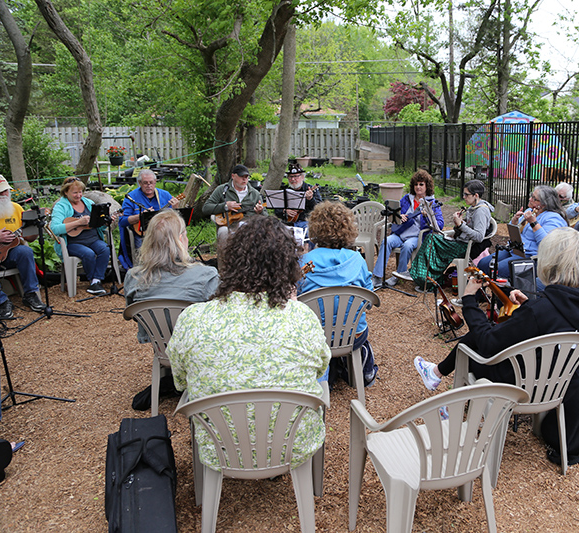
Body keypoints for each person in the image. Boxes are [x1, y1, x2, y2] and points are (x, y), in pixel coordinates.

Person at [166, 215, 330, 472]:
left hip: (218, 448)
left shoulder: (193, 318)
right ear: (288, 264)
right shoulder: (302, 316)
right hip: (293, 446)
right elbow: (320, 369)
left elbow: (180, 381)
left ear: (231, 260)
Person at [414, 227, 579, 403]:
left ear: (549, 263)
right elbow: (556, 322)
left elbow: (489, 342)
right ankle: (435, 374)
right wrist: (530, 305)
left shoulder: (540, 310)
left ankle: (449, 401)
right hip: (561, 388)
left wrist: (469, 299)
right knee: (481, 334)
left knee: (469, 345)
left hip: (520, 387)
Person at [299, 201, 377, 387]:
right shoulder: (357, 260)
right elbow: (369, 302)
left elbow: (294, 300)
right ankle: (360, 370)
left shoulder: (305, 262)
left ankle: (324, 372)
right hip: (352, 336)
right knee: (360, 328)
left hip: (314, 339)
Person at [124, 209, 219, 343]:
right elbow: (220, 315)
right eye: (185, 235)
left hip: (160, 346)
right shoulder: (206, 276)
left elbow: (135, 315)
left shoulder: (133, 277)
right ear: (180, 240)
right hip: (198, 347)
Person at [410, 180, 494, 289]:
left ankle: (426, 279)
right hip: (461, 242)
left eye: (466, 194)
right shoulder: (473, 207)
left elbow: (479, 237)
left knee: (432, 239)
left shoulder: (481, 211)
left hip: (466, 247)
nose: (464, 197)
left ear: (476, 195)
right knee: (431, 239)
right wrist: (460, 222)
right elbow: (469, 227)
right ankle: (426, 277)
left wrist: (461, 225)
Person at [476, 184, 567, 280]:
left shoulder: (553, 218)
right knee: (483, 263)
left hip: (531, 256)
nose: (530, 199)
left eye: (534, 199)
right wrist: (514, 222)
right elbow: (513, 233)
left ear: (544, 204)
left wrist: (533, 223)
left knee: (498, 270)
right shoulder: (530, 211)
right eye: (531, 196)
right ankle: (480, 288)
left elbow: (547, 244)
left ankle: (498, 289)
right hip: (515, 249)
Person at [372, 170, 444, 288]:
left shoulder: (432, 203)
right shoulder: (406, 199)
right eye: (416, 184)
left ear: (427, 186)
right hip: (400, 233)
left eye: (421, 184)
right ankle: (377, 277)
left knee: (407, 246)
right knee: (387, 241)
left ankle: (398, 275)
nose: (418, 187)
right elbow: (394, 214)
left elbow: (440, 224)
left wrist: (427, 216)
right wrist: (400, 216)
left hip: (417, 236)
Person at [0, 174, 45, 317]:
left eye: (5, 190)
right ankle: (2, 301)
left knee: (25, 251)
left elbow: (29, 238)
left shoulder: (16, 208)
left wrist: (36, 227)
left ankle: (30, 294)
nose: (3, 194)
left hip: (9, 253)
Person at [50, 177, 117, 296]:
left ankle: (96, 280)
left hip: (93, 239)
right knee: (88, 253)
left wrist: (105, 222)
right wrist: (78, 222)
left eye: (80, 192)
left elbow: (98, 226)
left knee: (105, 248)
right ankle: (93, 281)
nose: (78, 195)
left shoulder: (89, 203)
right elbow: (54, 228)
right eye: (75, 193)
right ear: (66, 192)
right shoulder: (61, 206)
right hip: (72, 243)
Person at [119, 169, 180, 269]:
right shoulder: (131, 197)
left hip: (163, 233)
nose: (149, 185)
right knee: (144, 248)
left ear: (155, 182)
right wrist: (140, 216)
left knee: (174, 242)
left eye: (151, 182)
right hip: (143, 234)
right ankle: (145, 269)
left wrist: (175, 209)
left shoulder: (165, 195)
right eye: (145, 183)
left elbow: (174, 219)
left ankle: (170, 268)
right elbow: (122, 221)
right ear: (139, 183)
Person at [202, 164, 265, 246]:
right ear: (233, 176)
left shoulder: (255, 194)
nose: (244, 179)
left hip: (249, 227)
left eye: (246, 177)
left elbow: (265, 216)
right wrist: (225, 206)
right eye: (241, 176)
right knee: (223, 231)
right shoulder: (222, 189)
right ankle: (223, 254)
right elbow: (206, 208)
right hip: (228, 225)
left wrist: (260, 212)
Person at [273, 163, 321, 230]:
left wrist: (310, 199)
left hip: (306, 222)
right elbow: (276, 211)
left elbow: (319, 209)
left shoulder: (310, 189)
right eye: (290, 177)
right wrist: (285, 211)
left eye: (296, 176)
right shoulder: (285, 191)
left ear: (302, 177)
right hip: (287, 223)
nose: (293, 179)